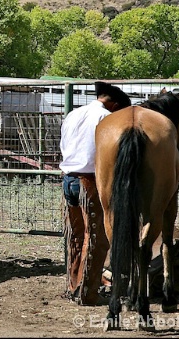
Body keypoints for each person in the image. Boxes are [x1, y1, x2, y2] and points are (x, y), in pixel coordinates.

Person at [59, 80, 131, 305]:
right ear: (115, 105)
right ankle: (88, 292)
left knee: (75, 235)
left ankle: (73, 285)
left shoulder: (73, 114)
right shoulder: (105, 118)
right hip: (89, 181)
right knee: (96, 237)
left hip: (68, 177)